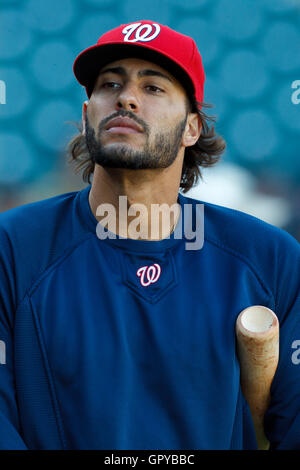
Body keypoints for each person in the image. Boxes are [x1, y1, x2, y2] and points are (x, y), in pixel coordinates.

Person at [0, 20, 299, 451]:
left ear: (192, 128)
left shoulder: (270, 259)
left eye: (154, 87)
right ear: (87, 117)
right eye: (109, 84)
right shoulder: (12, 249)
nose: (126, 97)